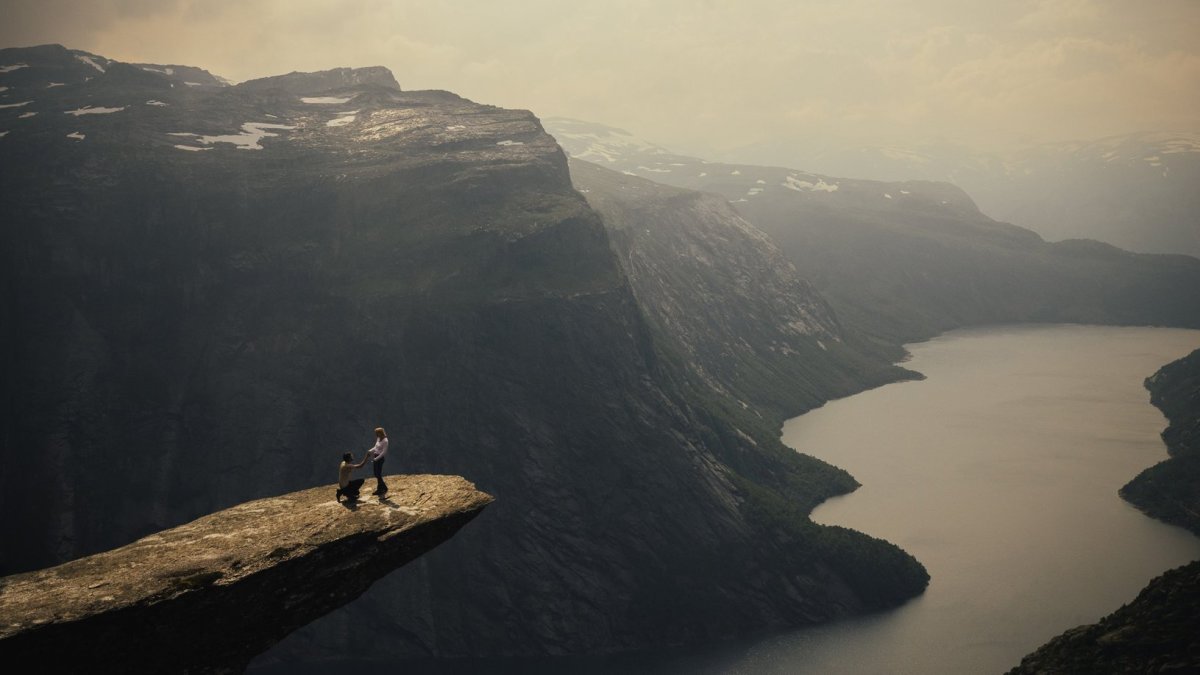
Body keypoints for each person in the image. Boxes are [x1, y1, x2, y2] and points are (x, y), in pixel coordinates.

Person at [365, 427, 389, 495]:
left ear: (380, 433)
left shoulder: (385, 440)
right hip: (376, 457)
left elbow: (384, 452)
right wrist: (370, 451)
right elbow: (376, 447)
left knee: (378, 474)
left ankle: (382, 488)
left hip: (380, 459)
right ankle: (382, 488)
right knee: (376, 474)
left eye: (376, 433)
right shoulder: (378, 438)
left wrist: (376, 459)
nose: (376, 434)